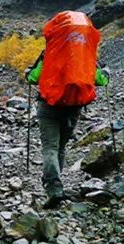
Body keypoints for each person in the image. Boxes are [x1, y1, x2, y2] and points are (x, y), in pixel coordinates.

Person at [26, 11, 109, 209]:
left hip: (48, 107)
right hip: (73, 108)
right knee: (60, 148)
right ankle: (57, 186)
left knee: (50, 148)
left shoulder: (50, 52)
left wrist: (28, 73)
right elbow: (100, 80)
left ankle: (54, 188)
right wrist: (106, 73)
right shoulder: (86, 55)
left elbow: (33, 78)